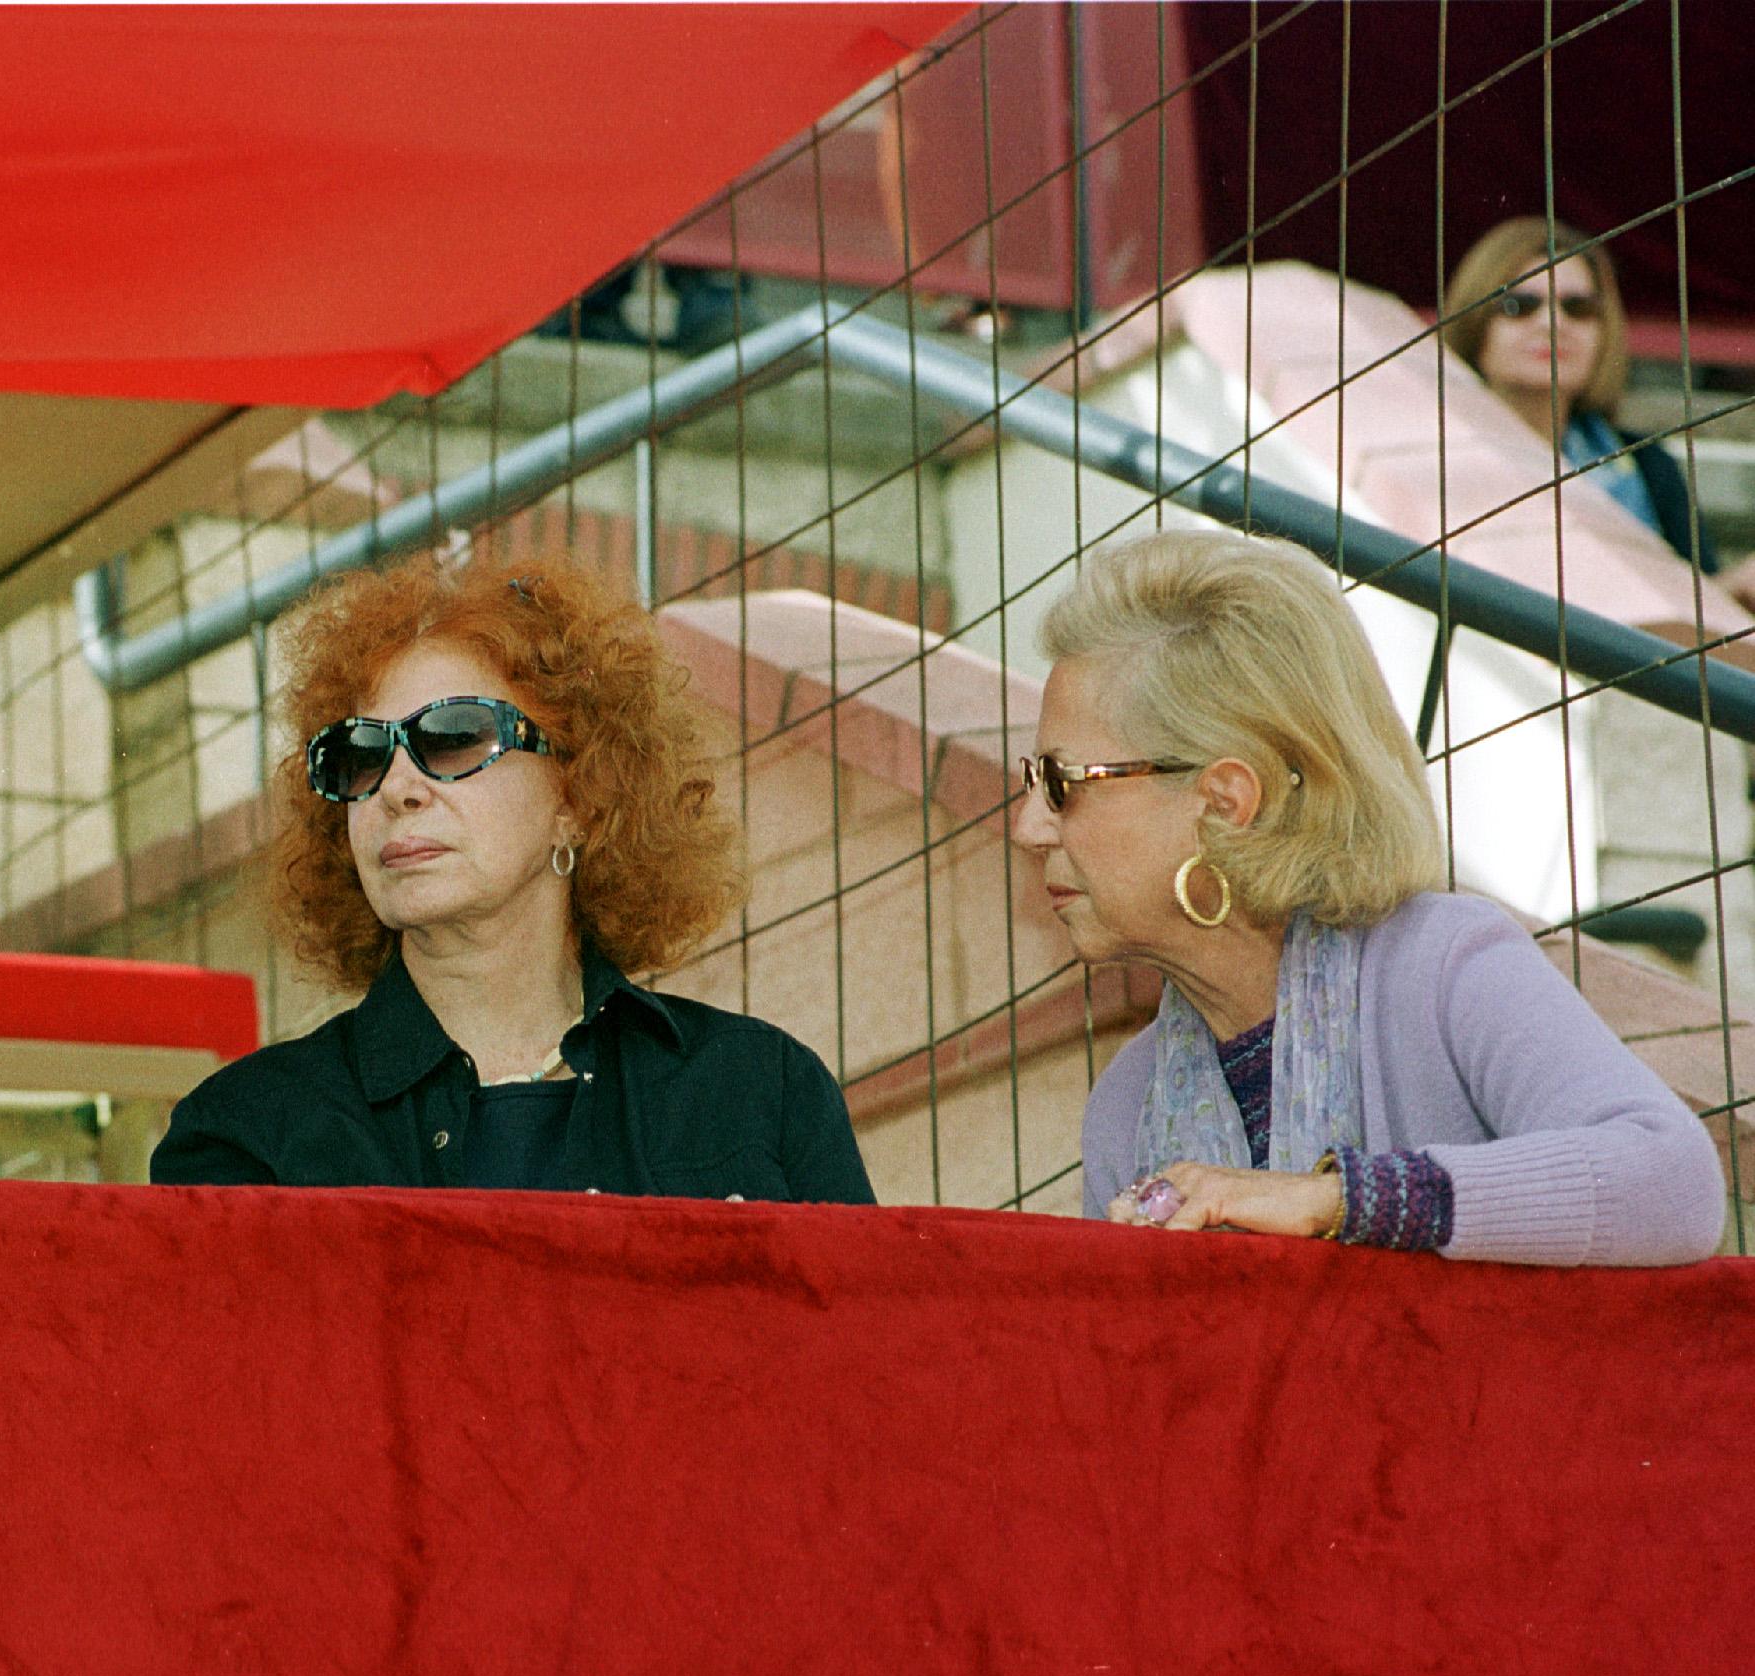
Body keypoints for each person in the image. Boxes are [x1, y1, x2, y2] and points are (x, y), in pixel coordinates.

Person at [1014, 527, 1724, 1266]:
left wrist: (1334, 1200)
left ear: (1225, 801)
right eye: (1031, 783)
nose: (1028, 827)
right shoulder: (1126, 1104)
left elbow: (1673, 1184)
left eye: (1063, 784)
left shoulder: (1441, 968)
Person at [150, 550, 873, 1202]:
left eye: (455, 737)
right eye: (360, 754)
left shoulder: (757, 1090)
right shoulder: (248, 1134)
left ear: (580, 796)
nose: (395, 787)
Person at [1442, 216, 1755, 606]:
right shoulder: (1436, 456)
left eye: (1578, 308)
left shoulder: (1647, 463)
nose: (1553, 323)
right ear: (1473, 325)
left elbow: (1697, 619)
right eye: (1519, 305)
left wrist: (1736, 588)